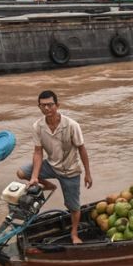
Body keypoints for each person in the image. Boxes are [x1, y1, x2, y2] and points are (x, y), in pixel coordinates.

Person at [17, 90, 93, 244]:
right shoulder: (38, 126)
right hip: (51, 165)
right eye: (43, 105)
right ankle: (49, 185)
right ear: (39, 107)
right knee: (21, 172)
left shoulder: (72, 125)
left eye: (50, 105)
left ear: (57, 105)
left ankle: (74, 234)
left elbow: (81, 149)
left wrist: (87, 173)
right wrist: (34, 177)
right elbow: (38, 153)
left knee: (73, 206)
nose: (46, 109)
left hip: (70, 170)